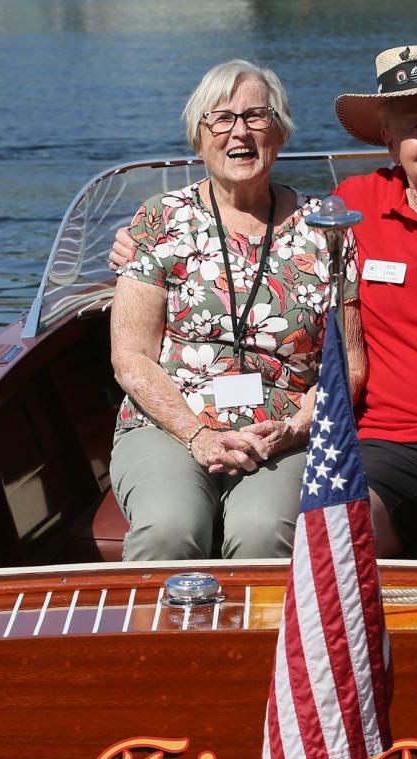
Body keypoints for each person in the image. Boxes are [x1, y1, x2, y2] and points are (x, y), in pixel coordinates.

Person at [112, 45, 417, 564]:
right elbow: (135, 345)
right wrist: (134, 248)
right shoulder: (355, 208)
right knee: (334, 525)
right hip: (385, 443)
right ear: (389, 138)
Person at [109, 59, 356, 561]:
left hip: (280, 431)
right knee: (168, 527)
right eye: (220, 118)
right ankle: (154, 643)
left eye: (256, 116)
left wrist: (295, 428)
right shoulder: (160, 220)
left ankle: (254, 643)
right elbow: (130, 357)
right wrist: (198, 435)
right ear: (199, 138)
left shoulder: (328, 231)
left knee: (263, 532)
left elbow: (349, 363)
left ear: (280, 131)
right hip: (170, 424)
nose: (238, 132)